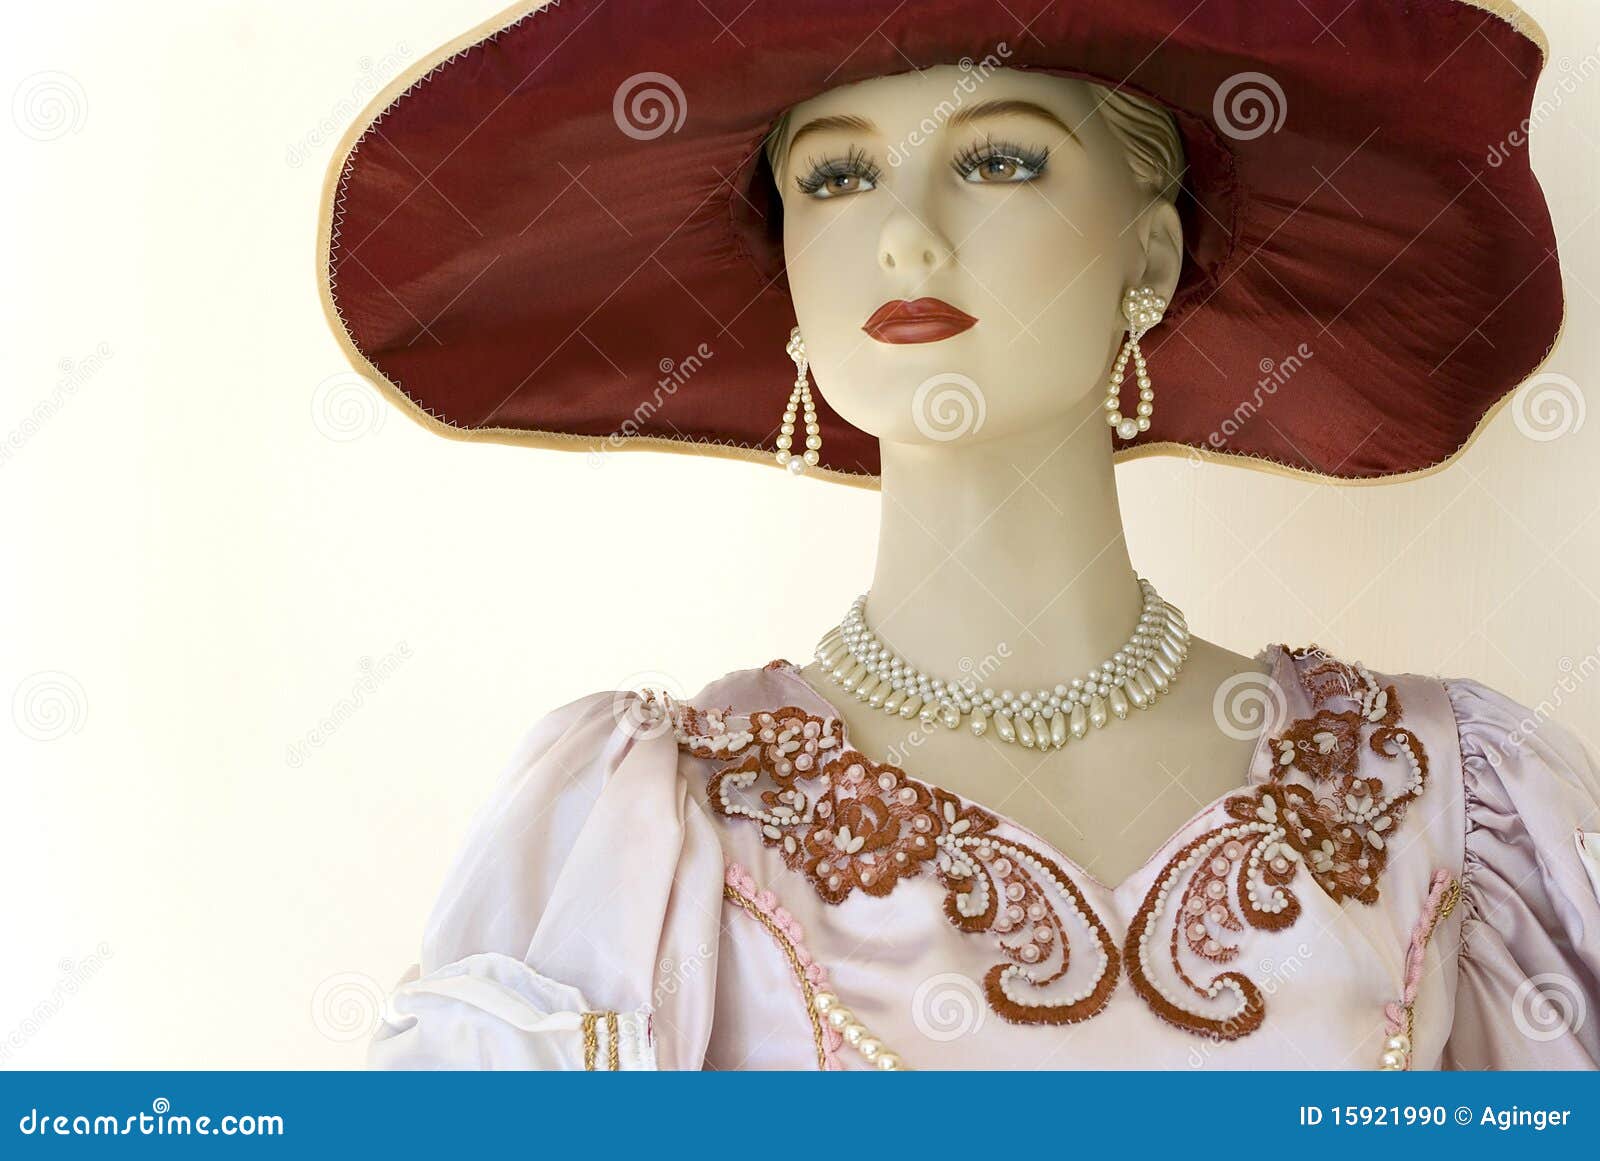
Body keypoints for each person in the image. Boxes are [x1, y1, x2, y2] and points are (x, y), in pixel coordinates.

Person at [317, 0, 1597, 1068]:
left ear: (1148, 252)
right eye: (834, 175)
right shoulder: (655, 834)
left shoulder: (1444, 797)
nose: (906, 233)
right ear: (792, 284)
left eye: (998, 160)